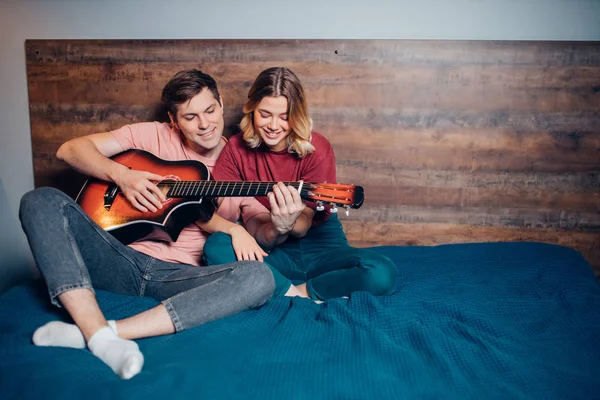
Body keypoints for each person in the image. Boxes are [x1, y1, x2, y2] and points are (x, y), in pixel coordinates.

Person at [18, 69, 279, 380]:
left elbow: (264, 231)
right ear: (173, 120)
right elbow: (69, 150)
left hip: (177, 276)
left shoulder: (243, 165)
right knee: (39, 199)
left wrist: (282, 221)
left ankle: (100, 334)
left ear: (221, 103)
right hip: (117, 257)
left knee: (259, 278)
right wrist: (122, 176)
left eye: (210, 110)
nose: (205, 124)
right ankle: (99, 335)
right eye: (190, 117)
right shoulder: (151, 135)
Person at [203, 67, 398, 301]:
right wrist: (273, 227)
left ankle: (295, 291)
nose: (274, 125)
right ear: (252, 110)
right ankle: (291, 291)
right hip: (269, 249)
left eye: (285, 117)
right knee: (216, 246)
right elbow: (238, 221)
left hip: (322, 248)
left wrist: (287, 222)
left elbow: (304, 223)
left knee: (382, 272)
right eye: (265, 114)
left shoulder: (318, 148)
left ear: (297, 115)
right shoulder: (236, 149)